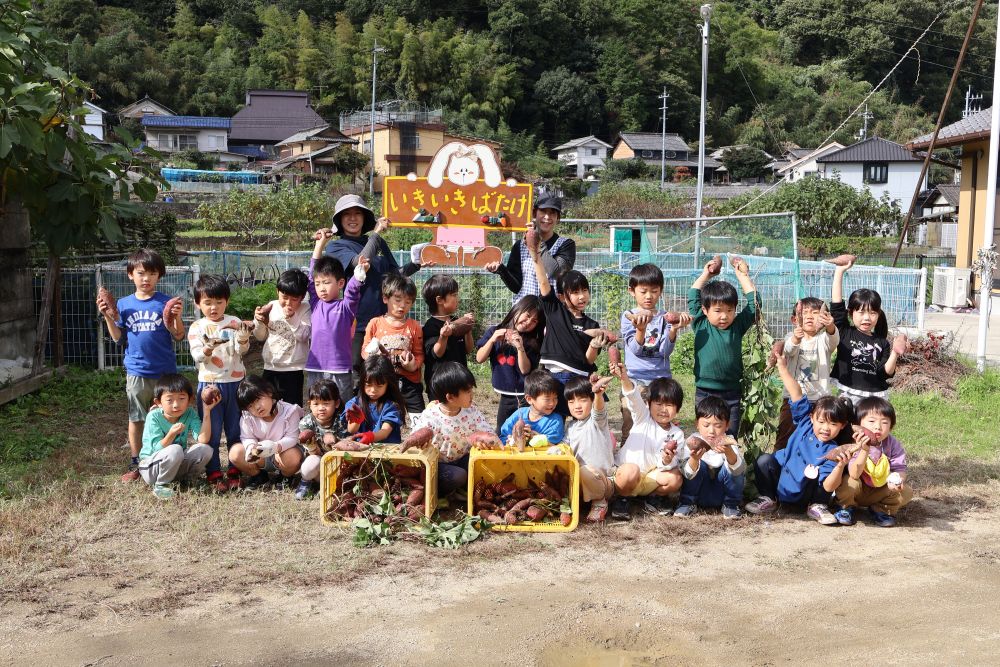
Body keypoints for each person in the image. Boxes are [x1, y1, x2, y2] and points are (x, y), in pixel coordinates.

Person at [97, 248, 185, 483]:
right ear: (130, 275)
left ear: (159, 276)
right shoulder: (124, 305)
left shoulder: (166, 302)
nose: (146, 279)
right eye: (141, 273)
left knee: (169, 415)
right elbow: (117, 337)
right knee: (137, 418)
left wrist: (177, 316)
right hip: (137, 371)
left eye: (152, 274)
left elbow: (178, 335)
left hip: (165, 372)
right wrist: (107, 315)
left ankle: (168, 459)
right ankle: (137, 461)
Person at [746, 350, 856, 525]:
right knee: (764, 460)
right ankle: (769, 498)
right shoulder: (804, 423)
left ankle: (818, 506)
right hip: (784, 483)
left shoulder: (834, 450)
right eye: (821, 421)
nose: (826, 428)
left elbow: (828, 485)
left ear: (842, 426)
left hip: (806, 494)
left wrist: (841, 466)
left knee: (823, 478)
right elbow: (796, 392)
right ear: (812, 417)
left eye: (833, 424)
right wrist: (782, 368)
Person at [323, 194, 424, 375]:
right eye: (347, 214)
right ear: (339, 219)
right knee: (356, 370)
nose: (352, 218)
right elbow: (359, 264)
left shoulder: (378, 242)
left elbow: (395, 274)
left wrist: (417, 264)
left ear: (364, 218)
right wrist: (376, 234)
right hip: (355, 323)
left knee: (381, 372)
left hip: (382, 322)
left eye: (357, 214)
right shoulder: (336, 247)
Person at [188, 274, 251, 492]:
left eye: (219, 302)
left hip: (235, 382)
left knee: (236, 428)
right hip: (210, 384)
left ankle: (234, 470)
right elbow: (198, 357)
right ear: (197, 303)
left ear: (227, 301)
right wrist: (209, 347)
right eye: (207, 303)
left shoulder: (234, 322)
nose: (213, 308)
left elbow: (241, 350)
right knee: (212, 432)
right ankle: (213, 472)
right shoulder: (197, 327)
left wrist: (243, 337)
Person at [528, 231, 601, 417]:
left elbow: (589, 360)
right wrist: (536, 257)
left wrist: (594, 344)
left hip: (580, 378)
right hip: (554, 377)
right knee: (555, 417)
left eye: (585, 290)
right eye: (575, 292)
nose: (582, 296)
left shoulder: (591, 324)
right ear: (561, 297)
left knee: (581, 419)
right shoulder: (555, 311)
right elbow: (544, 284)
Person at [689, 256, 760, 436]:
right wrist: (707, 274)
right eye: (718, 311)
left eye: (730, 311)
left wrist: (742, 276)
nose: (724, 316)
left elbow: (755, 305)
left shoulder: (737, 326)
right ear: (705, 311)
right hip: (704, 391)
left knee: (729, 433)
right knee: (706, 434)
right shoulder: (701, 324)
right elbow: (693, 295)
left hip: (731, 393)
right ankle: (704, 463)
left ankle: (728, 463)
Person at [620, 262, 692, 441]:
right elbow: (636, 350)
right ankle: (626, 455)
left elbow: (665, 351)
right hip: (635, 378)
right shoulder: (629, 316)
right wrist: (641, 329)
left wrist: (674, 330)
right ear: (632, 290)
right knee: (631, 419)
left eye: (654, 290)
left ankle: (660, 455)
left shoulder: (665, 317)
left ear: (660, 290)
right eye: (643, 291)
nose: (649, 296)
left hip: (660, 378)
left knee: (660, 422)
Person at [608, 356, 686, 520]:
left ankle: (651, 497)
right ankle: (622, 498)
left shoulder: (677, 434)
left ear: (677, 409)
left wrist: (666, 460)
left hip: (648, 478)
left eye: (669, 405)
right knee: (631, 471)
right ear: (649, 404)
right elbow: (633, 397)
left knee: (675, 478)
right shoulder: (643, 417)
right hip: (627, 475)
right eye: (658, 403)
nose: (663, 410)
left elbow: (671, 463)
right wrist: (624, 378)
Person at [409, 362, 499, 498]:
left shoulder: (471, 411)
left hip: (463, 458)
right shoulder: (430, 415)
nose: (472, 394)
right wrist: (420, 444)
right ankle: (441, 493)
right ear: (450, 397)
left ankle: (462, 488)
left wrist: (486, 439)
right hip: (440, 465)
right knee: (459, 476)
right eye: (468, 391)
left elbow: (486, 429)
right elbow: (415, 436)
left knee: (483, 464)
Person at [830, 257, 906, 406]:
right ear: (851, 314)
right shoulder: (845, 333)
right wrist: (839, 271)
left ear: (878, 315)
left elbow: (885, 373)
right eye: (861, 313)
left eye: (872, 313)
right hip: (848, 395)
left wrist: (895, 354)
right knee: (848, 429)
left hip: (876, 398)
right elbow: (836, 307)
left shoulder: (882, 343)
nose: (867, 318)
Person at [306, 228, 370, 402]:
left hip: (340, 368)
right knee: (318, 405)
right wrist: (320, 244)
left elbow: (352, 291)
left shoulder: (346, 307)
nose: (322, 288)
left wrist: (359, 274)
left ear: (340, 283)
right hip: (315, 366)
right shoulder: (316, 303)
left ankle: (345, 430)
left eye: (327, 283)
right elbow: (312, 276)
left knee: (341, 405)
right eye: (319, 284)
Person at [833, 397, 913, 527]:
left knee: (906, 492)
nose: (878, 427)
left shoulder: (892, 444)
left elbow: (900, 469)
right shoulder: (853, 441)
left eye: (885, 422)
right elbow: (854, 474)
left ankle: (880, 510)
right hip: (856, 488)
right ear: (858, 424)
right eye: (871, 421)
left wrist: (898, 480)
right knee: (848, 482)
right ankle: (846, 507)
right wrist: (864, 450)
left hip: (879, 489)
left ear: (891, 426)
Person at [486, 193, 576, 303]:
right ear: (534, 213)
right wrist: (501, 270)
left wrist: (537, 242)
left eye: (552, 213)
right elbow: (517, 287)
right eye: (543, 211)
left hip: (553, 312)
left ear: (558, 218)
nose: (547, 217)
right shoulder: (519, 246)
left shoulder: (566, 245)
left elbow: (556, 272)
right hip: (526, 313)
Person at [138, 374, 216, 499]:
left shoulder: (189, 413)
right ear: (158, 402)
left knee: (205, 449)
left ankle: (187, 480)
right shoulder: (154, 416)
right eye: (169, 400)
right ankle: (161, 484)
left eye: (181, 398)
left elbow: (203, 439)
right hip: (150, 468)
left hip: (174, 462)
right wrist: (171, 434)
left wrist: (207, 411)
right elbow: (155, 449)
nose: (176, 405)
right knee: (175, 449)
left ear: (189, 400)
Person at [775, 297, 838, 450]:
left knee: (816, 438)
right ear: (794, 319)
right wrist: (796, 337)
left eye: (815, 313)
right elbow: (789, 349)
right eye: (804, 313)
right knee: (786, 434)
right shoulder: (790, 337)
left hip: (819, 400)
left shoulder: (823, 339)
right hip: (793, 399)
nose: (809, 316)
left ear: (823, 318)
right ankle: (778, 465)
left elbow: (833, 339)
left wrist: (830, 326)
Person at [475, 296, 545, 430]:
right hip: (505, 394)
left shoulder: (532, 341)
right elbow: (479, 358)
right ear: (517, 310)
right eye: (527, 315)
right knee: (502, 429)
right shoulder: (495, 331)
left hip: (525, 395)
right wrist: (492, 340)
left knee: (523, 430)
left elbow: (525, 370)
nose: (528, 322)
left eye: (534, 321)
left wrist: (520, 347)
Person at [362, 274, 425, 413]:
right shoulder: (375, 323)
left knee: (419, 417)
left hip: (409, 382)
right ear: (385, 298)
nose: (402, 305)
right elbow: (365, 351)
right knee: (379, 415)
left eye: (408, 302)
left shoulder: (414, 326)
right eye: (397, 300)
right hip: (381, 381)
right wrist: (372, 356)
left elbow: (419, 354)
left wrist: (413, 365)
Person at [229, 376, 305, 490]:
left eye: (258, 399)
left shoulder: (290, 411)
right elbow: (247, 437)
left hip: (283, 454)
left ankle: (285, 477)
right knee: (235, 452)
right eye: (250, 406)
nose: (257, 407)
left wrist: (275, 447)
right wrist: (251, 449)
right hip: (261, 456)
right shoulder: (247, 417)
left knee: (293, 457)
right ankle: (258, 476)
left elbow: (292, 437)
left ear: (269, 392)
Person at [676, 396, 746, 520]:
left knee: (733, 463)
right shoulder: (692, 441)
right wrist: (694, 459)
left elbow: (739, 471)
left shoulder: (728, 441)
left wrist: (729, 452)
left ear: (727, 425)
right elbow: (687, 474)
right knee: (699, 465)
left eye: (718, 425)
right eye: (706, 425)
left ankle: (731, 505)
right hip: (700, 494)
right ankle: (687, 503)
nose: (711, 431)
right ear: (697, 424)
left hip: (721, 493)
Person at [253, 268, 311, 406]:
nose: (288, 303)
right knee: (268, 406)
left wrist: (292, 318)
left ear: (302, 297)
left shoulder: (305, 309)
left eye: (294, 299)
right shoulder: (271, 306)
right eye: (284, 297)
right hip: (270, 367)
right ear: (277, 292)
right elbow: (260, 336)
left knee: (292, 409)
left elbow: (303, 336)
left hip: (293, 369)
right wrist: (260, 321)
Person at [563, 375, 616, 523]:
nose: (577, 406)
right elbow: (564, 448)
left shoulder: (596, 422)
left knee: (585, 470)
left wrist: (598, 394)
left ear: (591, 401)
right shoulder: (570, 427)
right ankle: (577, 503)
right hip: (581, 481)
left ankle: (599, 502)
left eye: (583, 400)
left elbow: (599, 410)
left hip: (603, 481)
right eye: (571, 401)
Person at [296, 379, 358, 500]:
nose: (321, 408)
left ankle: (328, 486)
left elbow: (347, 447)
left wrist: (335, 440)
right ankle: (306, 482)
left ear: (336, 403)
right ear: (309, 404)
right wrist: (315, 445)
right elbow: (312, 453)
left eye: (326, 403)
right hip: (317, 463)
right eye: (316, 404)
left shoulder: (341, 421)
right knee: (310, 464)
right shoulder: (306, 423)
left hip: (337, 463)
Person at [422, 274, 475, 401]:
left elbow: (468, 349)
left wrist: (467, 329)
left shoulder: (456, 321)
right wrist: (443, 337)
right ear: (439, 300)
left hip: (459, 379)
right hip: (440, 383)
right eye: (454, 295)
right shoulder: (430, 326)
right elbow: (437, 354)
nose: (458, 298)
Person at [344, 356, 406, 445]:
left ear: (388, 384)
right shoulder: (354, 404)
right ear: (362, 382)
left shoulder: (391, 405)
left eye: (379, 385)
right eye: (368, 384)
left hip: (386, 452)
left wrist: (371, 437)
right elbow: (351, 430)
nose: (373, 390)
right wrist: (357, 421)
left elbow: (385, 432)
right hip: (360, 451)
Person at [498, 369, 566, 447]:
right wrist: (510, 440)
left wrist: (534, 438)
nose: (552, 403)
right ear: (529, 399)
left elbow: (552, 446)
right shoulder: (518, 414)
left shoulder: (555, 421)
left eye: (555, 398)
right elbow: (502, 436)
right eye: (547, 399)